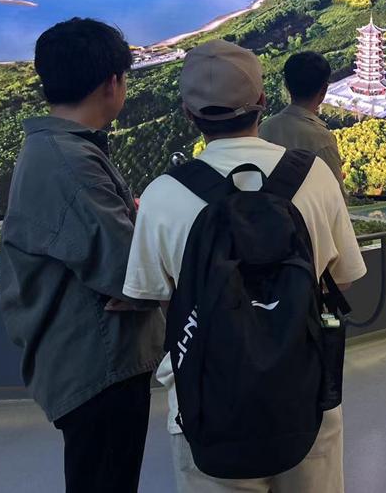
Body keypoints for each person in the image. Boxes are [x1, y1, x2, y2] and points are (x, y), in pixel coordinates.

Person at [122, 39, 366, 493]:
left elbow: (155, 295)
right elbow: (344, 278)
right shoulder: (313, 176)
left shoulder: (162, 195)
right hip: (305, 394)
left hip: (207, 403)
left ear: (188, 113)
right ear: (262, 101)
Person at [0, 18, 165, 493]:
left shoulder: (55, 149)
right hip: (99, 367)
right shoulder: (71, 163)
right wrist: (144, 261)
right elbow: (131, 272)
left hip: (90, 360)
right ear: (112, 83)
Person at [260, 51, 345, 194]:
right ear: (324, 90)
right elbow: (336, 198)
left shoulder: (264, 128)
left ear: (286, 85)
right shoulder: (322, 140)